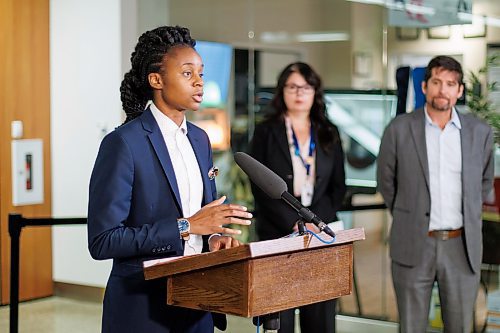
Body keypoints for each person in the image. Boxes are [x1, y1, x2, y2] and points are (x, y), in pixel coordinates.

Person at [87, 25, 252, 333]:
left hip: (198, 304)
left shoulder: (201, 140)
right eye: (187, 73)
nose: (199, 82)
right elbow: (103, 240)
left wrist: (214, 239)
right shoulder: (123, 143)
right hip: (144, 310)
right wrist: (186, 226)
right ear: (156, 80)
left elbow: (201, 223)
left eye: (201, 73)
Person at [377, 55, 494, 332]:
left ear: (460, 90)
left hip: (461, 245)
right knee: (412, 326)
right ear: (424, 87)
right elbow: (386, 182)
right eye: (437, 82)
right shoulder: (399, 129)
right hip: (414, 241)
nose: (443, 90)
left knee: (459, 326)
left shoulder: (480, 132)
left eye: (451, 84)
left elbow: (484, 182)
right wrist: (410, 212)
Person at [249, 62, 346, 333]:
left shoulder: (329, 131)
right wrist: (295, 222)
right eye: (292, 86)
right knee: (280, 321)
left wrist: (315, 222)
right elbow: (260, 187)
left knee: (321, 319)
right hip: (278, 234)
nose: (299, 93)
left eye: (305, 87)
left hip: (321, 235)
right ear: (282, 91)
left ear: (315, 92)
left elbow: (338, 186)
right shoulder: (266, 132)